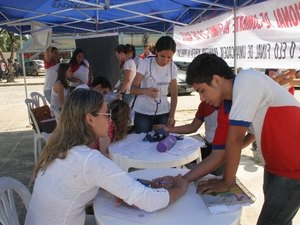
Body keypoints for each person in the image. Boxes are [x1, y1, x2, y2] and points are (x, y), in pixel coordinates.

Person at [25, 89, 188, 225]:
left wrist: (123, 189)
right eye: (107, 114)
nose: (110, 120)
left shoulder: (57, 147)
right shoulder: (89, 160)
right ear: (90, 119)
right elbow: (148, 201)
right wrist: (180, 188)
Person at [186, 53, 300, 225]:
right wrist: (182, 180)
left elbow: (235, 140)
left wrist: (227, 182)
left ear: (217, 80)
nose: (202, 98)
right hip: (274, 164)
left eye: (202, 90)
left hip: (294, 166)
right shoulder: (225, 107)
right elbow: (219, 154)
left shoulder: (247, 80)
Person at [130, 36, 178, 133]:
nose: (165, 61)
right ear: (156, 51)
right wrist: (145, 91)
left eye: (169, 57)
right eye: (162, 56)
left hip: (164, 112)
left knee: (162, 141)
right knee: (141, 142)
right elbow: (132, 89)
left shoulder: (172, 67)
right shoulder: (145, 63)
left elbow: (174, 94)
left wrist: (172, 115)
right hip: (143, 112)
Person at [153, 100, 218, 161]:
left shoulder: (227, 107)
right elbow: (193, 127)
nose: (201, 97)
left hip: (221, 151)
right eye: (199, 92)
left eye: (203, 91)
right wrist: (168, 129)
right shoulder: (204, 105)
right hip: (209, 146)